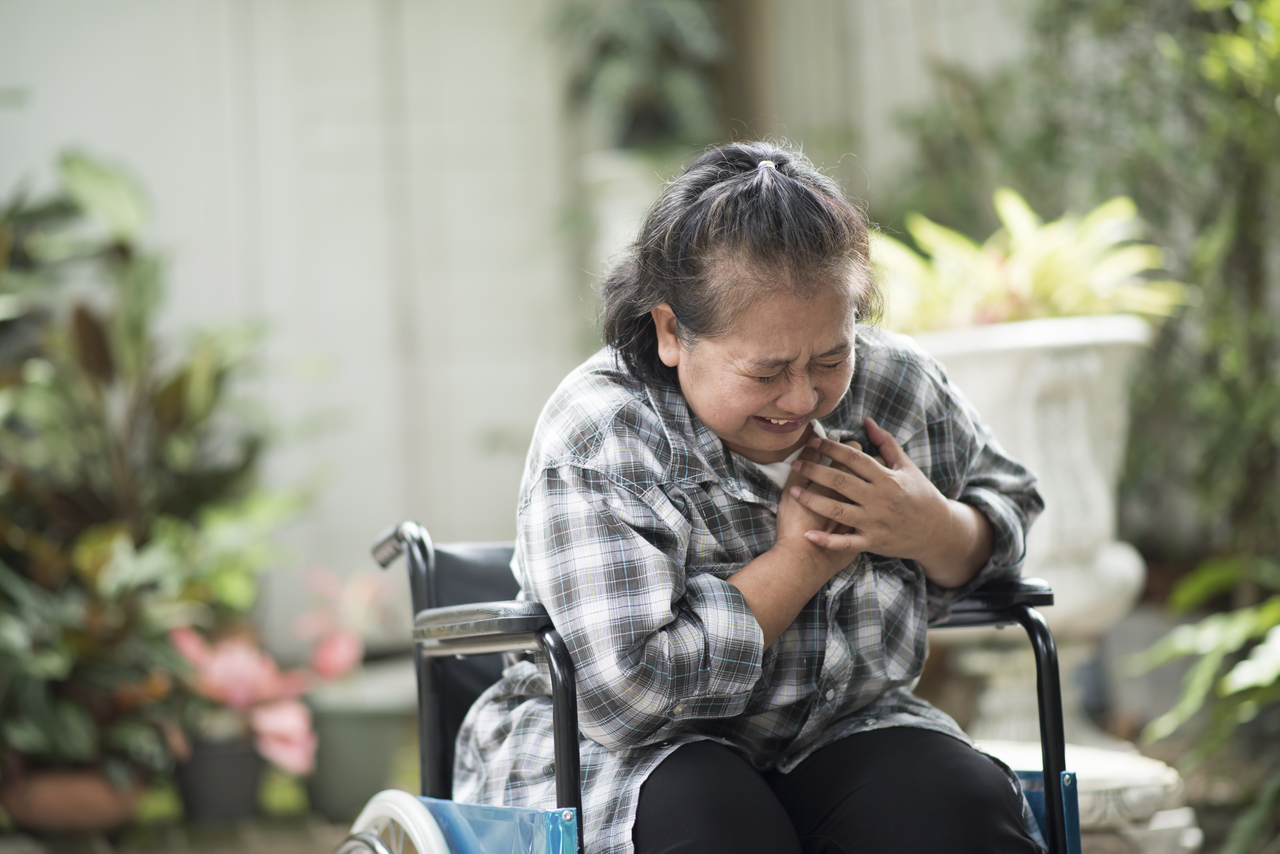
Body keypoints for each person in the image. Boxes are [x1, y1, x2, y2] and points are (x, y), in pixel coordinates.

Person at [453, 141, 1046, 854]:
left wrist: (930, 529)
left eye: (830, 357)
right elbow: (627, 699)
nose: (802, 398)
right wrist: (798, 563)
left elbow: (1010, 500)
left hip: (842, 723)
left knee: (955, 806)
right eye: (766, 372)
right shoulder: (605, 431)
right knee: (717, 820)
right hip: (626, 752)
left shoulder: (895, 386)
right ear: (672, 331)